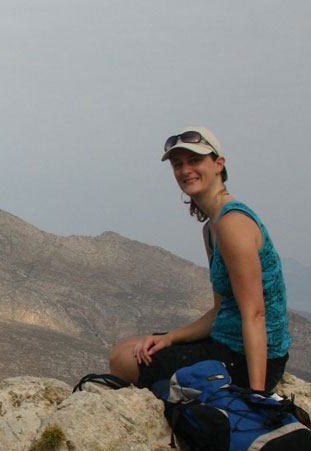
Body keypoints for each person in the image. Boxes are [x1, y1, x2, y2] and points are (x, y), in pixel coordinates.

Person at [108, 127, 291, 392]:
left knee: (124, 360)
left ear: (218, 164)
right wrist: (170, 339)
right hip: (224, 342)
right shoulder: (211, 229)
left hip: (245, 358)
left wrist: (257, 394)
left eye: (195, 161)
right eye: (178, 164)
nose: (185, 170)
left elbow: (255, 313)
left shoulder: (233, 224)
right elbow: (220, 310)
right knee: (131, 348)